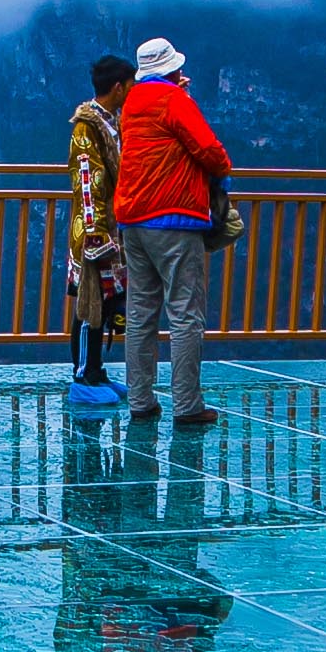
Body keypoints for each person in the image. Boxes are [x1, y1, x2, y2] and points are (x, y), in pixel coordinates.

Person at [114, 35, 231, 427]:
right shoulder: (176, 101)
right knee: (184, 312)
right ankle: (187, 404)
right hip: (174, 217)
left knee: (141, 311)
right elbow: (211, 151)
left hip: (133, 218)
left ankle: (141, 400)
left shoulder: (132, 103)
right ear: (173, 70)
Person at [65, 53, 131, 408]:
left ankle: (96, 369)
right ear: (118, 87)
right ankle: (83, 375)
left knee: (105, 302)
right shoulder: (87, 126)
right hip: (95, 230)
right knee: (89, 302)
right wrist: (94, 231)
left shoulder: (110, 122)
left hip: (109, 225)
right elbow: (86, 180)